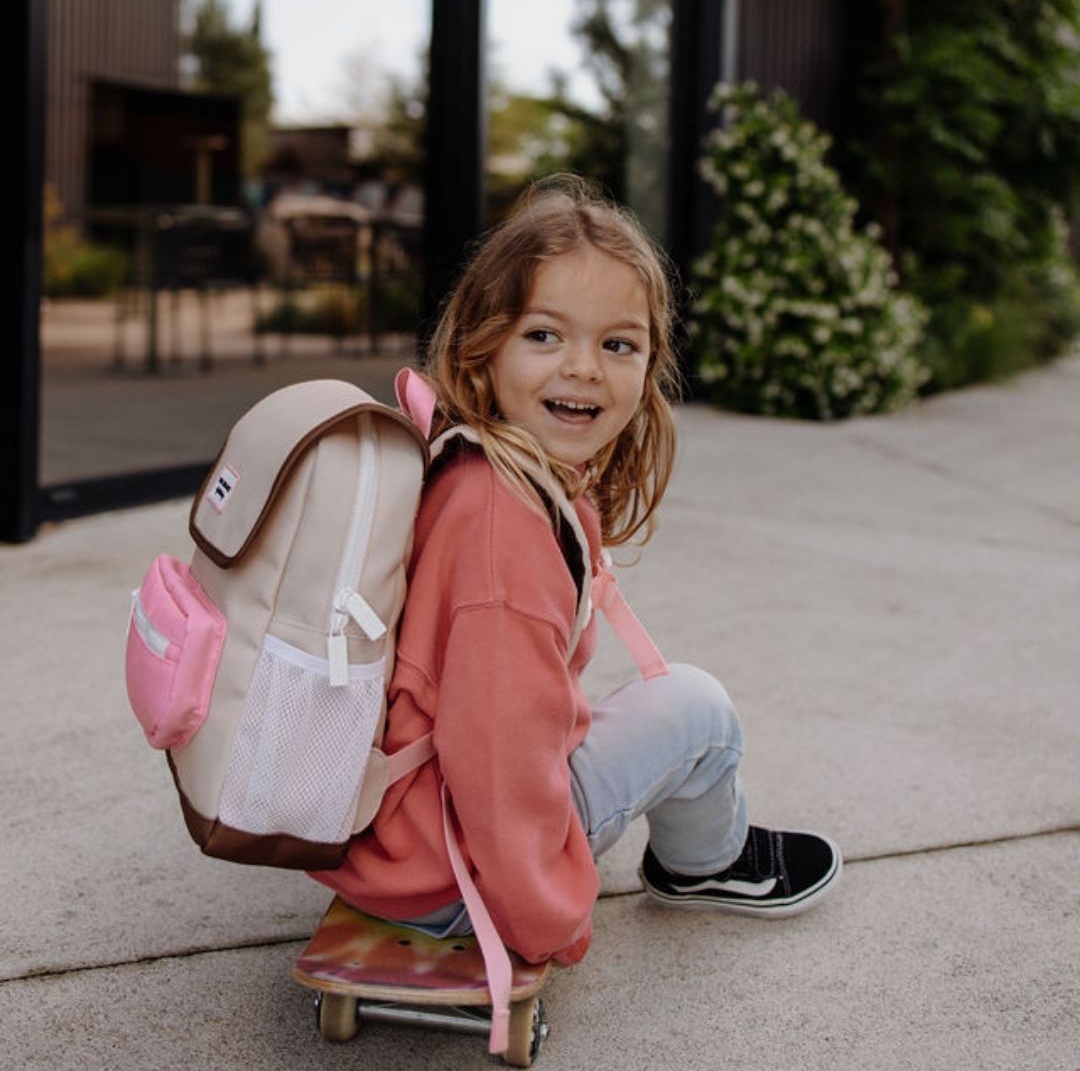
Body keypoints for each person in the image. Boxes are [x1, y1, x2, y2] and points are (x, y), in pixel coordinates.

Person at [310, 174, 841, 967]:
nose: (584, 368)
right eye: (545, 336)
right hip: (454, 878)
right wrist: (544, 917)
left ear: (647, 366)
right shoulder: (507, 533)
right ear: (481, 350)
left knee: (623, 707)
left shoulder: (476, 466)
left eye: (617, 344)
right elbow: (497, 758)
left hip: (399, 833)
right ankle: (705, 864)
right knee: (699, 711)